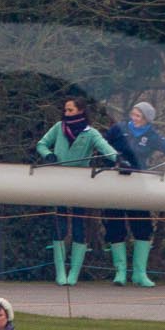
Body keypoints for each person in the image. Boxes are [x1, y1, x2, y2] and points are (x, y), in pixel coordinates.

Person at [104, 101, 165, 288]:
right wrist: (116, 160)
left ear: (146, 120)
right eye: (133, 114)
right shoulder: (118, 129)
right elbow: (102, 145)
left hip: (138, 184)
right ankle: (120, 272)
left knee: (142, 227)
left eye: (139, 116)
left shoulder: (152, 136)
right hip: (115, 182)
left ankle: (140, 273)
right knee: (115, 225)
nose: (134, 118)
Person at [33, 96, 120, 285]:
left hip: (80, 184)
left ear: (80, 111)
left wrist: (120, 161)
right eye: (65, 110)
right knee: (60, 226)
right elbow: (41, 144)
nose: (66, 113)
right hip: (59, 181)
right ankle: (60, 272)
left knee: (80, 227)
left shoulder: (91, 133)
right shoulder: (58, 127)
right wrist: (49, 156)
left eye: (70, 110)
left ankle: (73, 274)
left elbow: (107, 150)